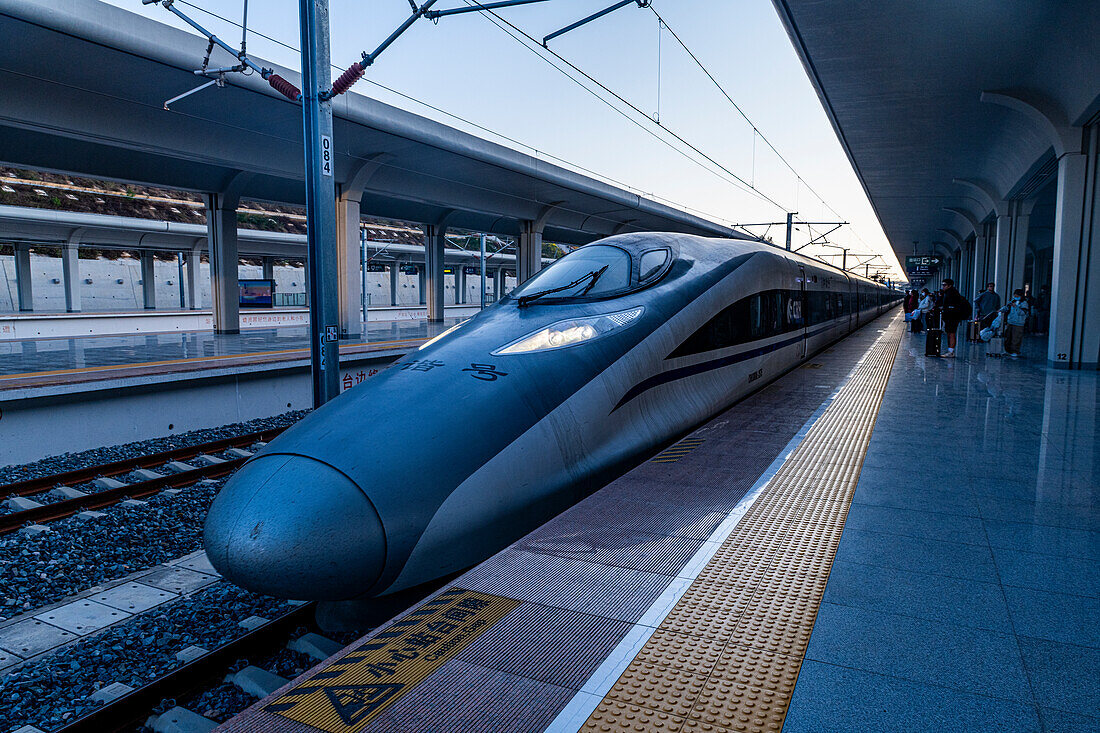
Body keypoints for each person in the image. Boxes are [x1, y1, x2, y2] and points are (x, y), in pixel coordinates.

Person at [939, 278, 971, 357]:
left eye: (944, 285)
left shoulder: (952, 294)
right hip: (951, 316)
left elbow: (952, 306)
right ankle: (950, 350)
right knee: (949, 333)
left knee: (952, 333)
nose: (943, 287)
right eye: (942, 285)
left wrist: (945, 309)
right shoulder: (949, 293)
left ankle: (951, 352)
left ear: (949, 286)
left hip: (952, 317)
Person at [1000, 289, 1031, 358]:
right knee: (1008, 337)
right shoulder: (1013, 301)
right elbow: (1007, 307)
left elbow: (1022, 313)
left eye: (1017, 296)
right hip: (1010, 322)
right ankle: (1007, 350)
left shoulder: (1024, 303)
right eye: (1014, 295)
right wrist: (1001, 310)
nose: (1015, 297)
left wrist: (1016, 307)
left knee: (1016, 338)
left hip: (1018, 323)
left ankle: (1015, 351)